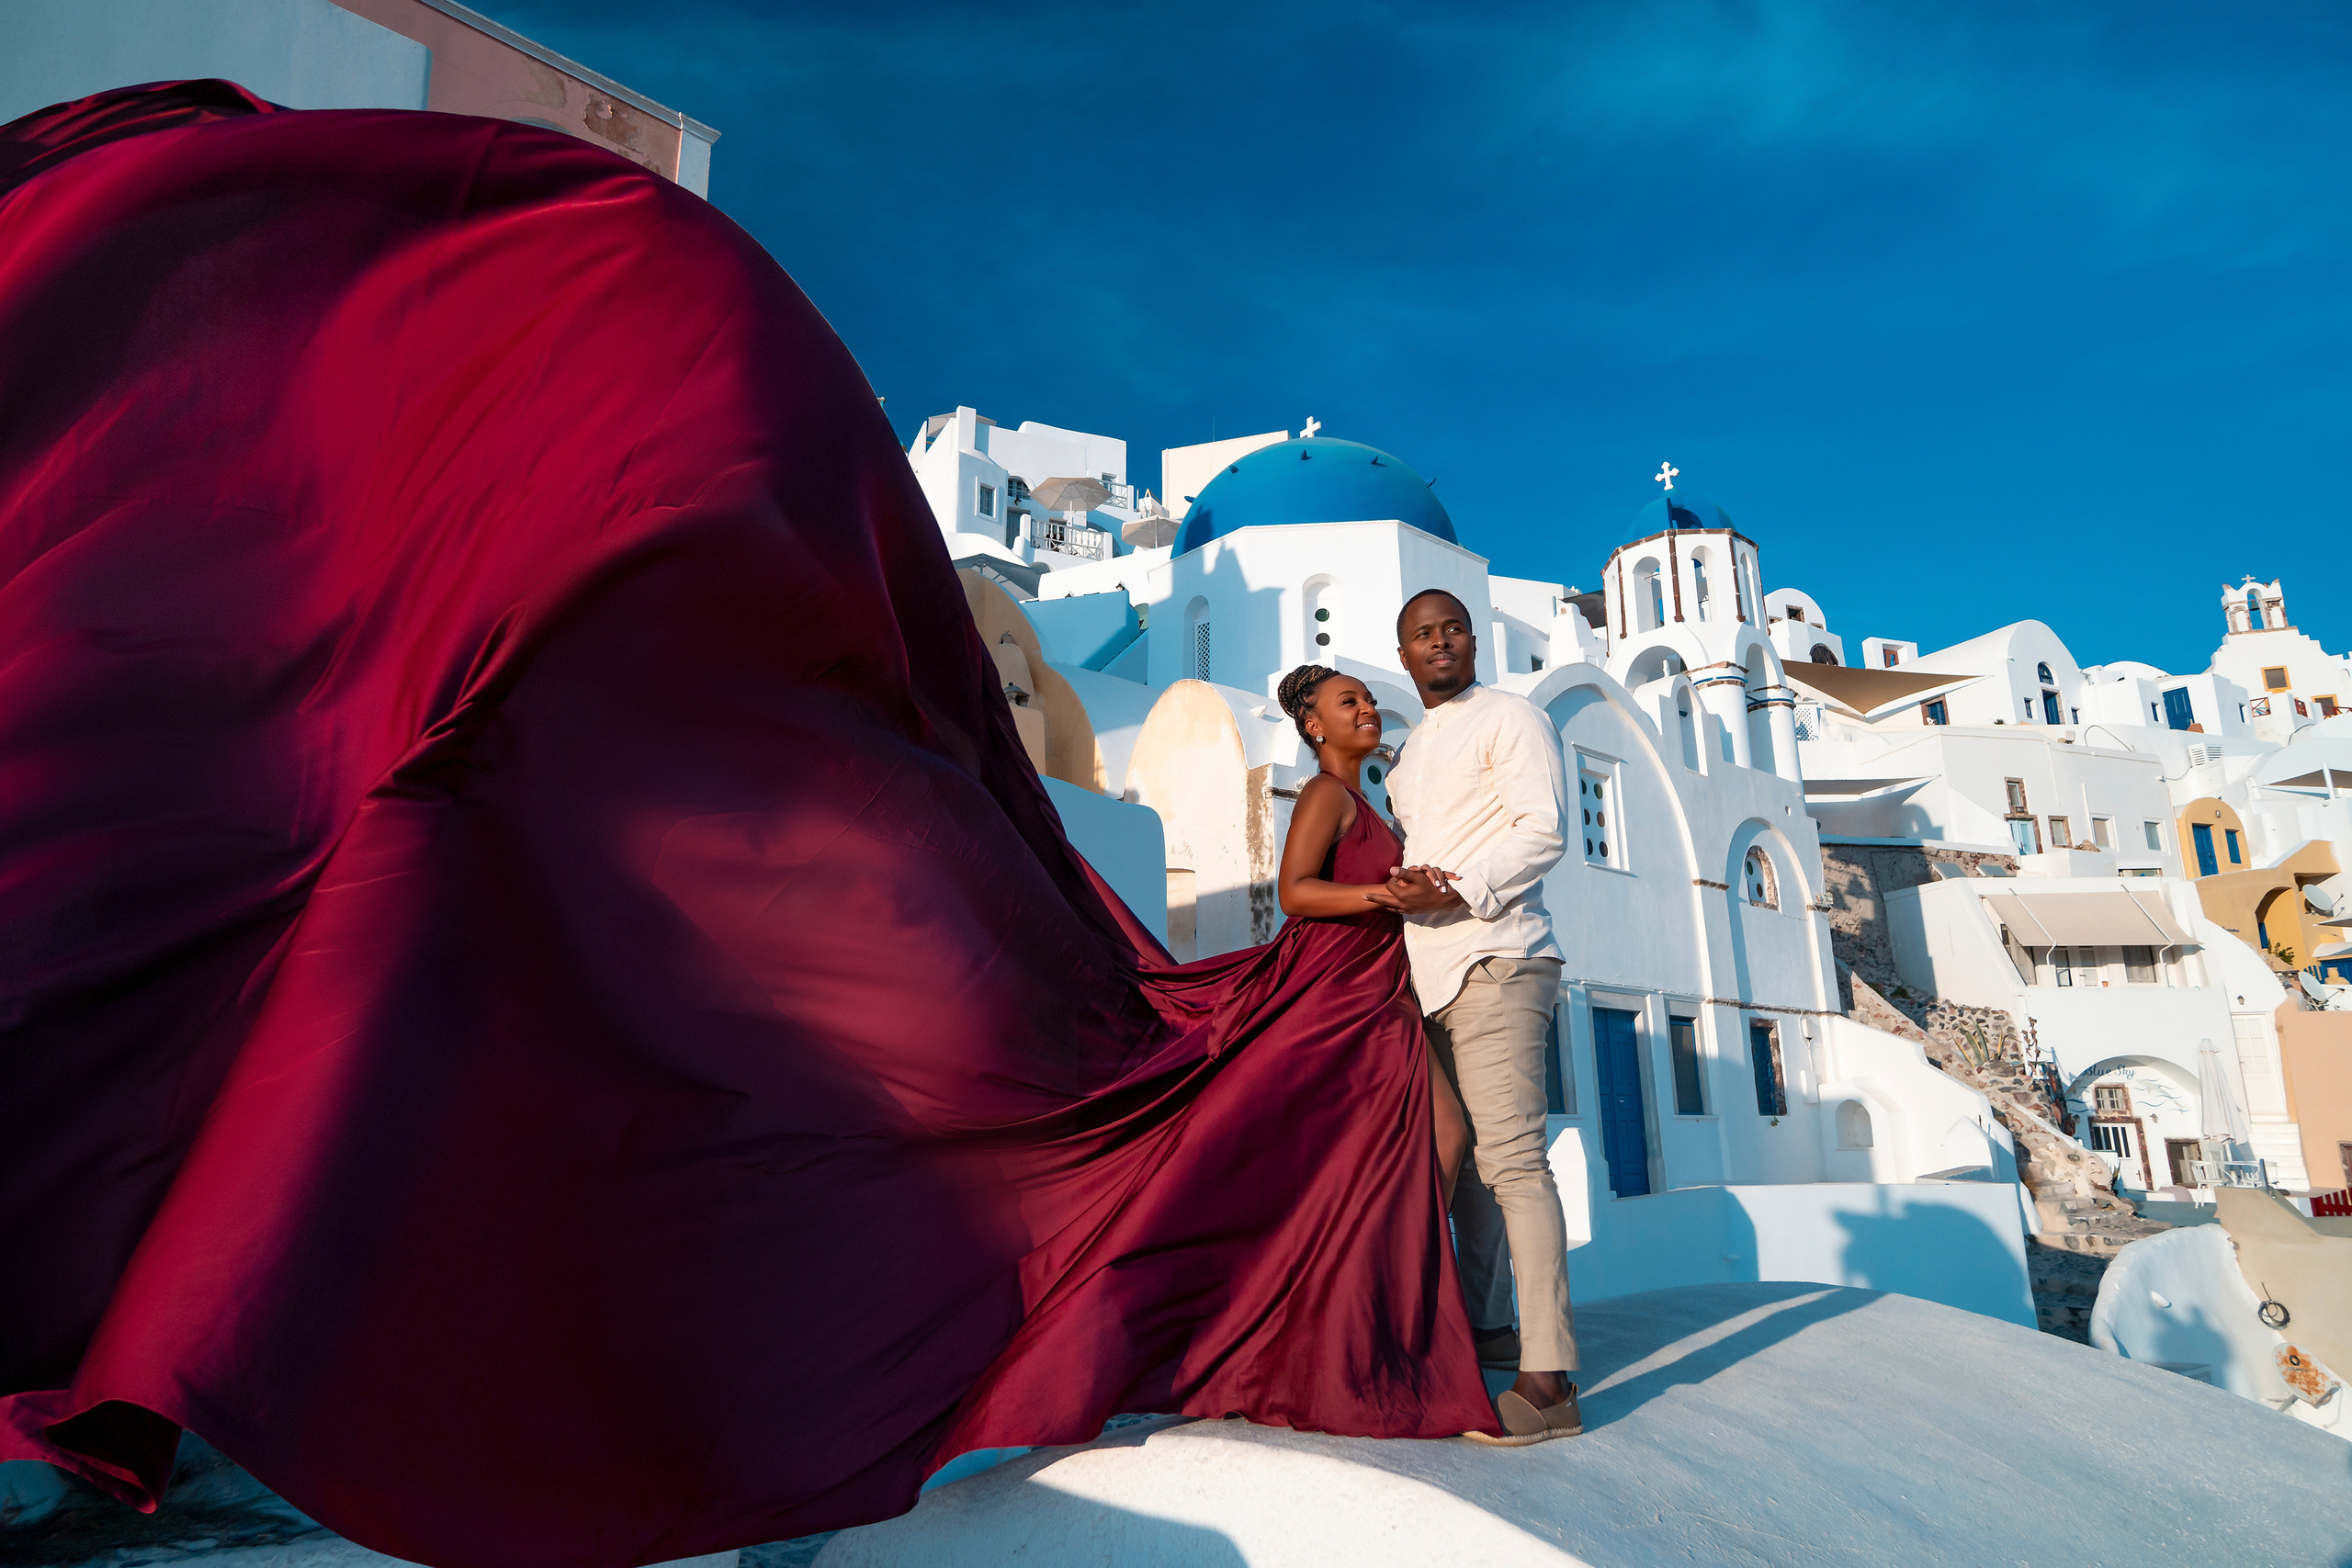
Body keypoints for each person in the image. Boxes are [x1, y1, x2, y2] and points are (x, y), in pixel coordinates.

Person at [1379, 588, 1584, 1444]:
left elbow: (1545, 828)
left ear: (1473, 640)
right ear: (1405, 654)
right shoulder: (1404, 759)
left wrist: (1457, 885)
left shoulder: (1512, 717)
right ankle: (1492, 1326)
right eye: (1423, 634)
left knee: (1511, 1163)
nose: (1440, 643)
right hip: (1430, 976)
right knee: (1463, 1169)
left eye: (1453, 629)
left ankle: (1549, 1381)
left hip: (1498, 955)